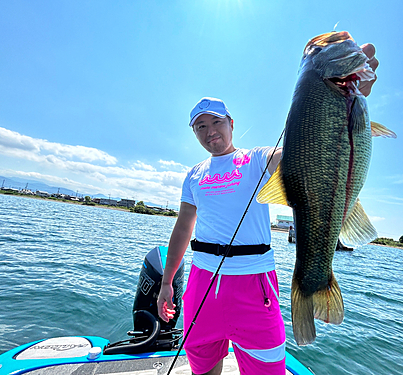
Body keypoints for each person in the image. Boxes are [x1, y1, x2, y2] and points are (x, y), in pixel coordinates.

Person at [158, 44, 379, 375]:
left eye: (215, 122)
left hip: (255, 285)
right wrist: (166, 282)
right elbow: (182, 229)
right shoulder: (193, 175)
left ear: (231, 123)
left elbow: (309, 151)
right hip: (201, 284)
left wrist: (344, 102)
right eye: (200, 126)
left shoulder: (259, 158)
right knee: (202, 368)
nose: (209, 132)